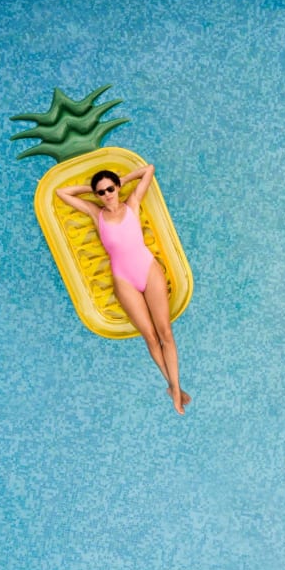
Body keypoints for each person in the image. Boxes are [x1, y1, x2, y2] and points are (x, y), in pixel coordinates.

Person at [56, 164, 191, 415]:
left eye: (110, 188)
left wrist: (123, 179)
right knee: (150, 336)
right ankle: (174, 388)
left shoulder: (132, 203)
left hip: (148, 269)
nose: (107, 194)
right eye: (101, 192)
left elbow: (148, 170)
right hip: (124, 279)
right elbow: (62, 193)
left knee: (165, 333)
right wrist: (90, 191)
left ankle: (175, 389)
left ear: (117, 187)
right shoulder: (95, 213)